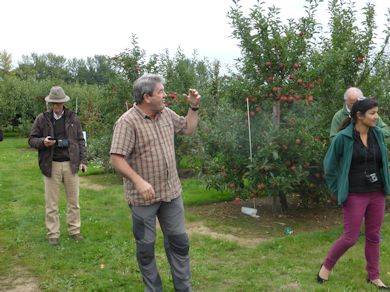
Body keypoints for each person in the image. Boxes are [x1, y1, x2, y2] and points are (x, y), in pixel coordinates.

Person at [110, 74, 201, 292]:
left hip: (171, 193)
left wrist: (194, 108)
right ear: (146, 97)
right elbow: (116, 158)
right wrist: (138, 181)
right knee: (146, 248)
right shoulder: (127, 122)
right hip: (144, 199)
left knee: (179, 242)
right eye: (161, 92)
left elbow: (188, 129)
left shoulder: (166, 114)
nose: (165, 95)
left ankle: (183, 288)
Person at [318, 98, 390, 289]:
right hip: (354, 194)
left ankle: (374, 276)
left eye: (377, 112)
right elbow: (329, 166)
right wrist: (337, 189)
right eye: (372, 113)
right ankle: (326, 266)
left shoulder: (378, 135)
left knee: (374, 235)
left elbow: (381, 161)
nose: (377, 117)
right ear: (359, 115)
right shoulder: (343, 138)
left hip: (377, 192)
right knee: (350, 237)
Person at [28, 86, 87, 246]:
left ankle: (74, 231)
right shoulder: (42, 118)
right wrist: (43, 142)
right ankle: (53, 234)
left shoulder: (73, 117)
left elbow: (81, 140)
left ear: (64, 102)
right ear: (50, 103)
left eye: (59, 103)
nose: (57, 106)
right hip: (51, 165)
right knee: (51, 203)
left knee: (74, 202)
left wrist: (83, 161)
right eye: (54, 103)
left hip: (71, 164)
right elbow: (32, 139)